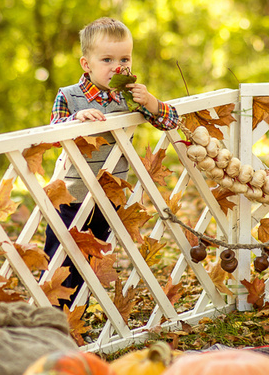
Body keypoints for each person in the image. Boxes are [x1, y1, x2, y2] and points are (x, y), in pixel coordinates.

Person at [43, 17, 179, 308]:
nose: (118, 67)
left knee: (92, 259)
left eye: (124, 59)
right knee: (61, 255)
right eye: (107, 59)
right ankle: (53, 314)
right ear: (86, 64)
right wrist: (74, 120)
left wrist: (152, 103)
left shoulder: (131, 96)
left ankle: (77, 312)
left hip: (109, 195)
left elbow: (171, 121)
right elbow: (52, 134)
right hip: (71, 194)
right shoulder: (69, 96)